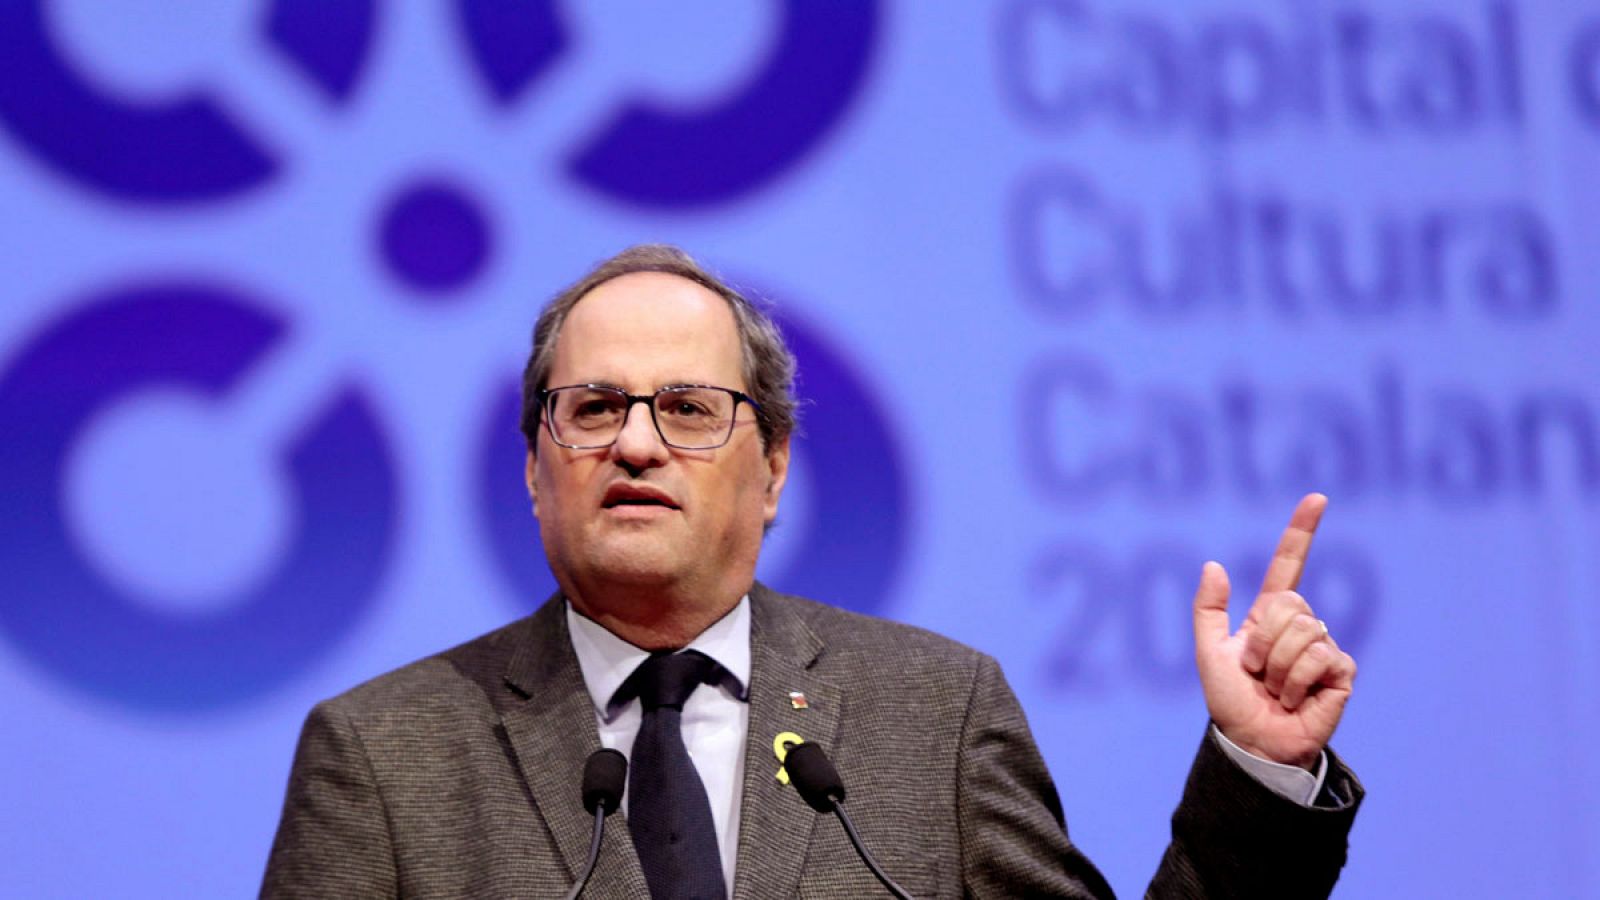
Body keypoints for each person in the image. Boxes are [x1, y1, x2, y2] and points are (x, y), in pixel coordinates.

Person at [261, 244, 1362, 898]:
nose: (636, 444)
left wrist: (1256, 772)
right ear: (535, 471)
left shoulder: (931, 716)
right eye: (592, 408)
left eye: (689, 409)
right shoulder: (383, 757)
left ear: (774, 468)